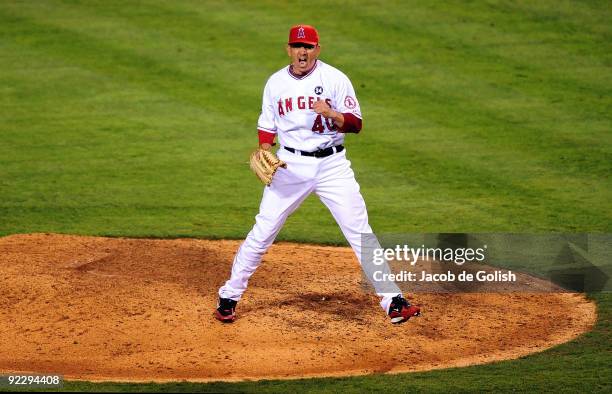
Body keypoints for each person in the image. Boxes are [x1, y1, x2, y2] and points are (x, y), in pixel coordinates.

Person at [215, 24, 420, 324]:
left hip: (332, 167)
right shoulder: (275, 83)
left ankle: (393, 302)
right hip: (289, 166)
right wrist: (263, 147)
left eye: (309, 47)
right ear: (288, 49)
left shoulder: (335, 79)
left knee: (360, 232)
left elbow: (356, 124)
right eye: (297, 46)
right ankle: (229, 296)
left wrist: (331, 114)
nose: (302, 52)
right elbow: (267, 124)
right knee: (263, 231)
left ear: (317, 50)